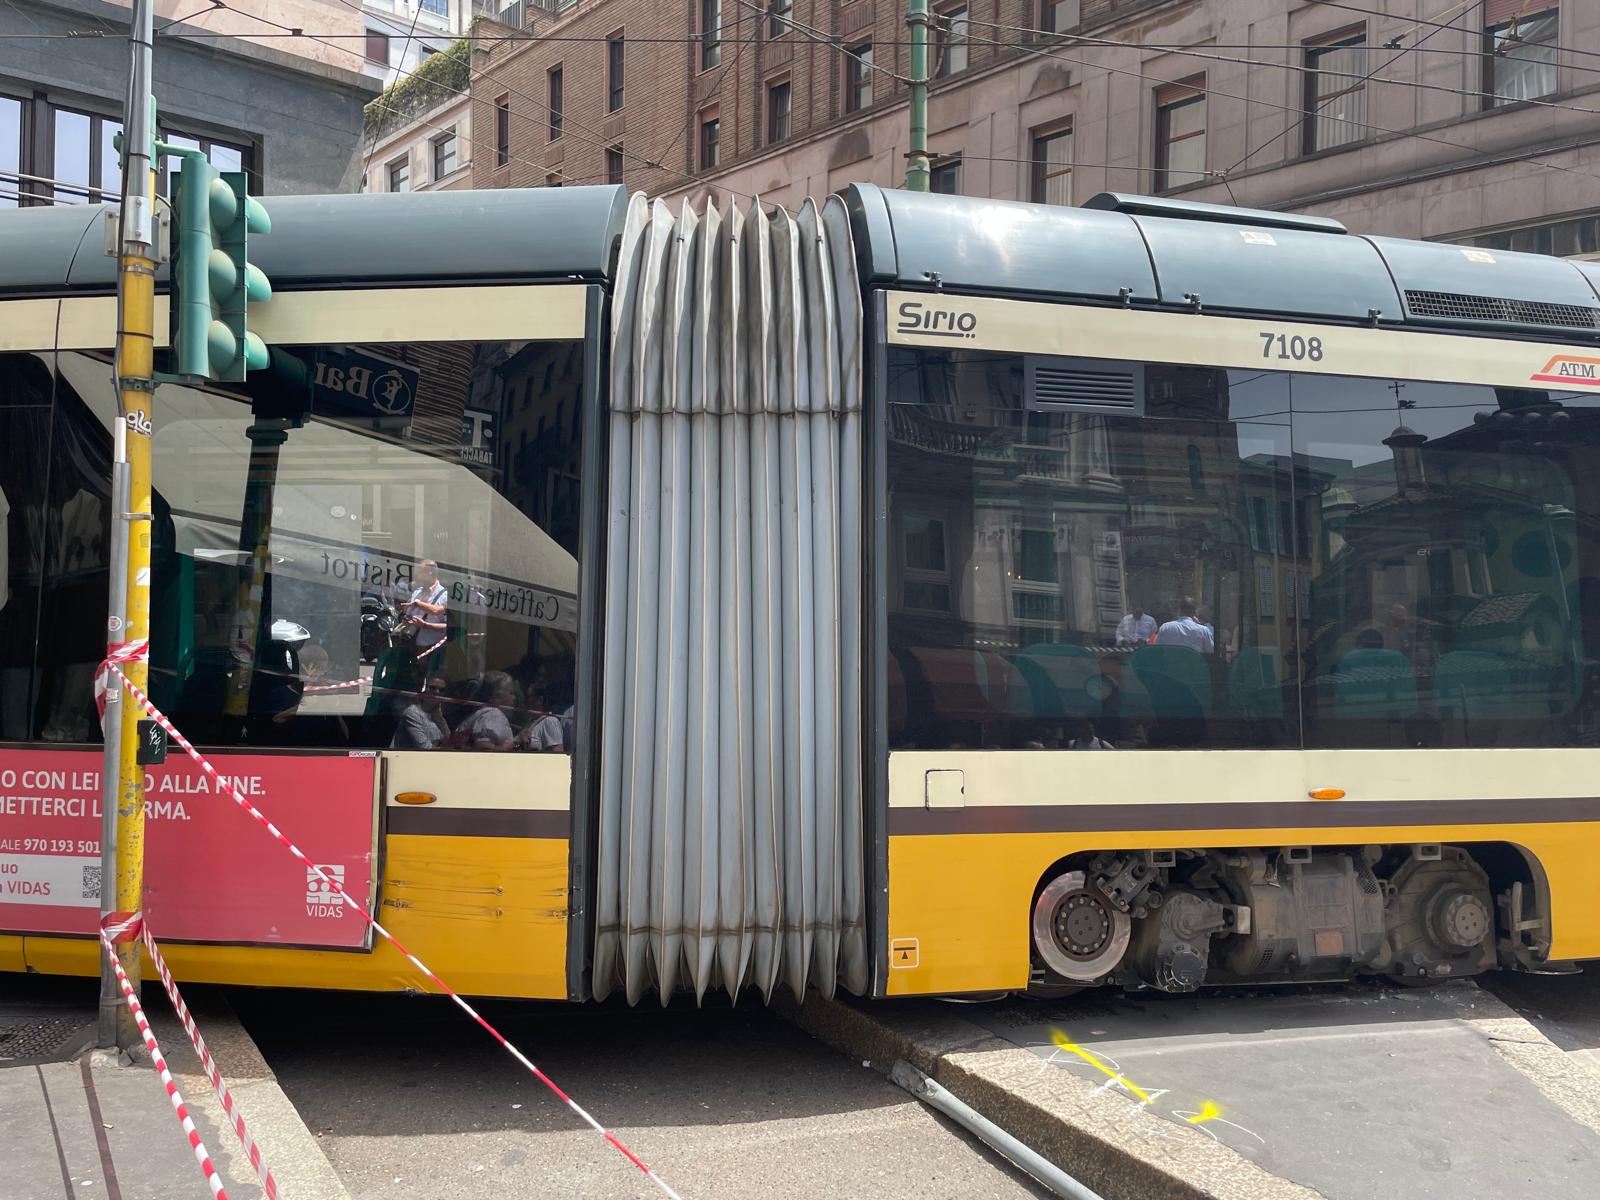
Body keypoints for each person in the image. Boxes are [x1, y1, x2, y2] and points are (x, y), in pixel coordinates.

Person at [452, 670, 518, 750]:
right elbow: (483, 748)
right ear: (495, 696)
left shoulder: (481, 713)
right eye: (511, 693)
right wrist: (509, 746)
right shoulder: (493, 714)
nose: (514, 698)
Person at [402, 559, 449, 658]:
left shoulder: (445, 596)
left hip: (434, 651)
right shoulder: (417, 592)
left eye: (419, 573)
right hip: (413, 646)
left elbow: (448, 627)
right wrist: (407, 620)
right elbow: (408, 615)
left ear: (430, 572)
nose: (417, 576)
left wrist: (425, 625)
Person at [391, 673, 451, 750]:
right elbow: (425, 747)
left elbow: (448, 738)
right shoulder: (412, 713)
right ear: (425, 689)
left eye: (442, 690)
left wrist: (440, 719)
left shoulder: (437, 712)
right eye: (433, 688)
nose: (437, 692)